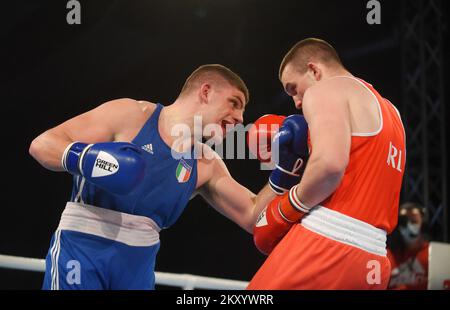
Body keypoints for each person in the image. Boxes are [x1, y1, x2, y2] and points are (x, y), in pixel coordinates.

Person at [29, 64, 310, 290]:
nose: (239, 118)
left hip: (138, 264)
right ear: (206, 91)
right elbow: (43, 144)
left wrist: (284, 172)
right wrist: (92, 159)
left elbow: (252, 216)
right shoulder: (130, 115)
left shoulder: (206, 163)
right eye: (234, 103)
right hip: (83, 247)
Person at [247, 38, 406, 289]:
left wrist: (287, 207)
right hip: (374, 260)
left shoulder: (324, 90)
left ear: (314, 70)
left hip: (326, 243)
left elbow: (330, 165)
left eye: (293, 89)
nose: (297, 102)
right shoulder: (392, 113)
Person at [387, 202, 429, 290]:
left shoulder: (434, 254)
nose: (408, 226)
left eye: (414, 221)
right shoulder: (389, 255)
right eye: (403, 222)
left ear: (423, 224)